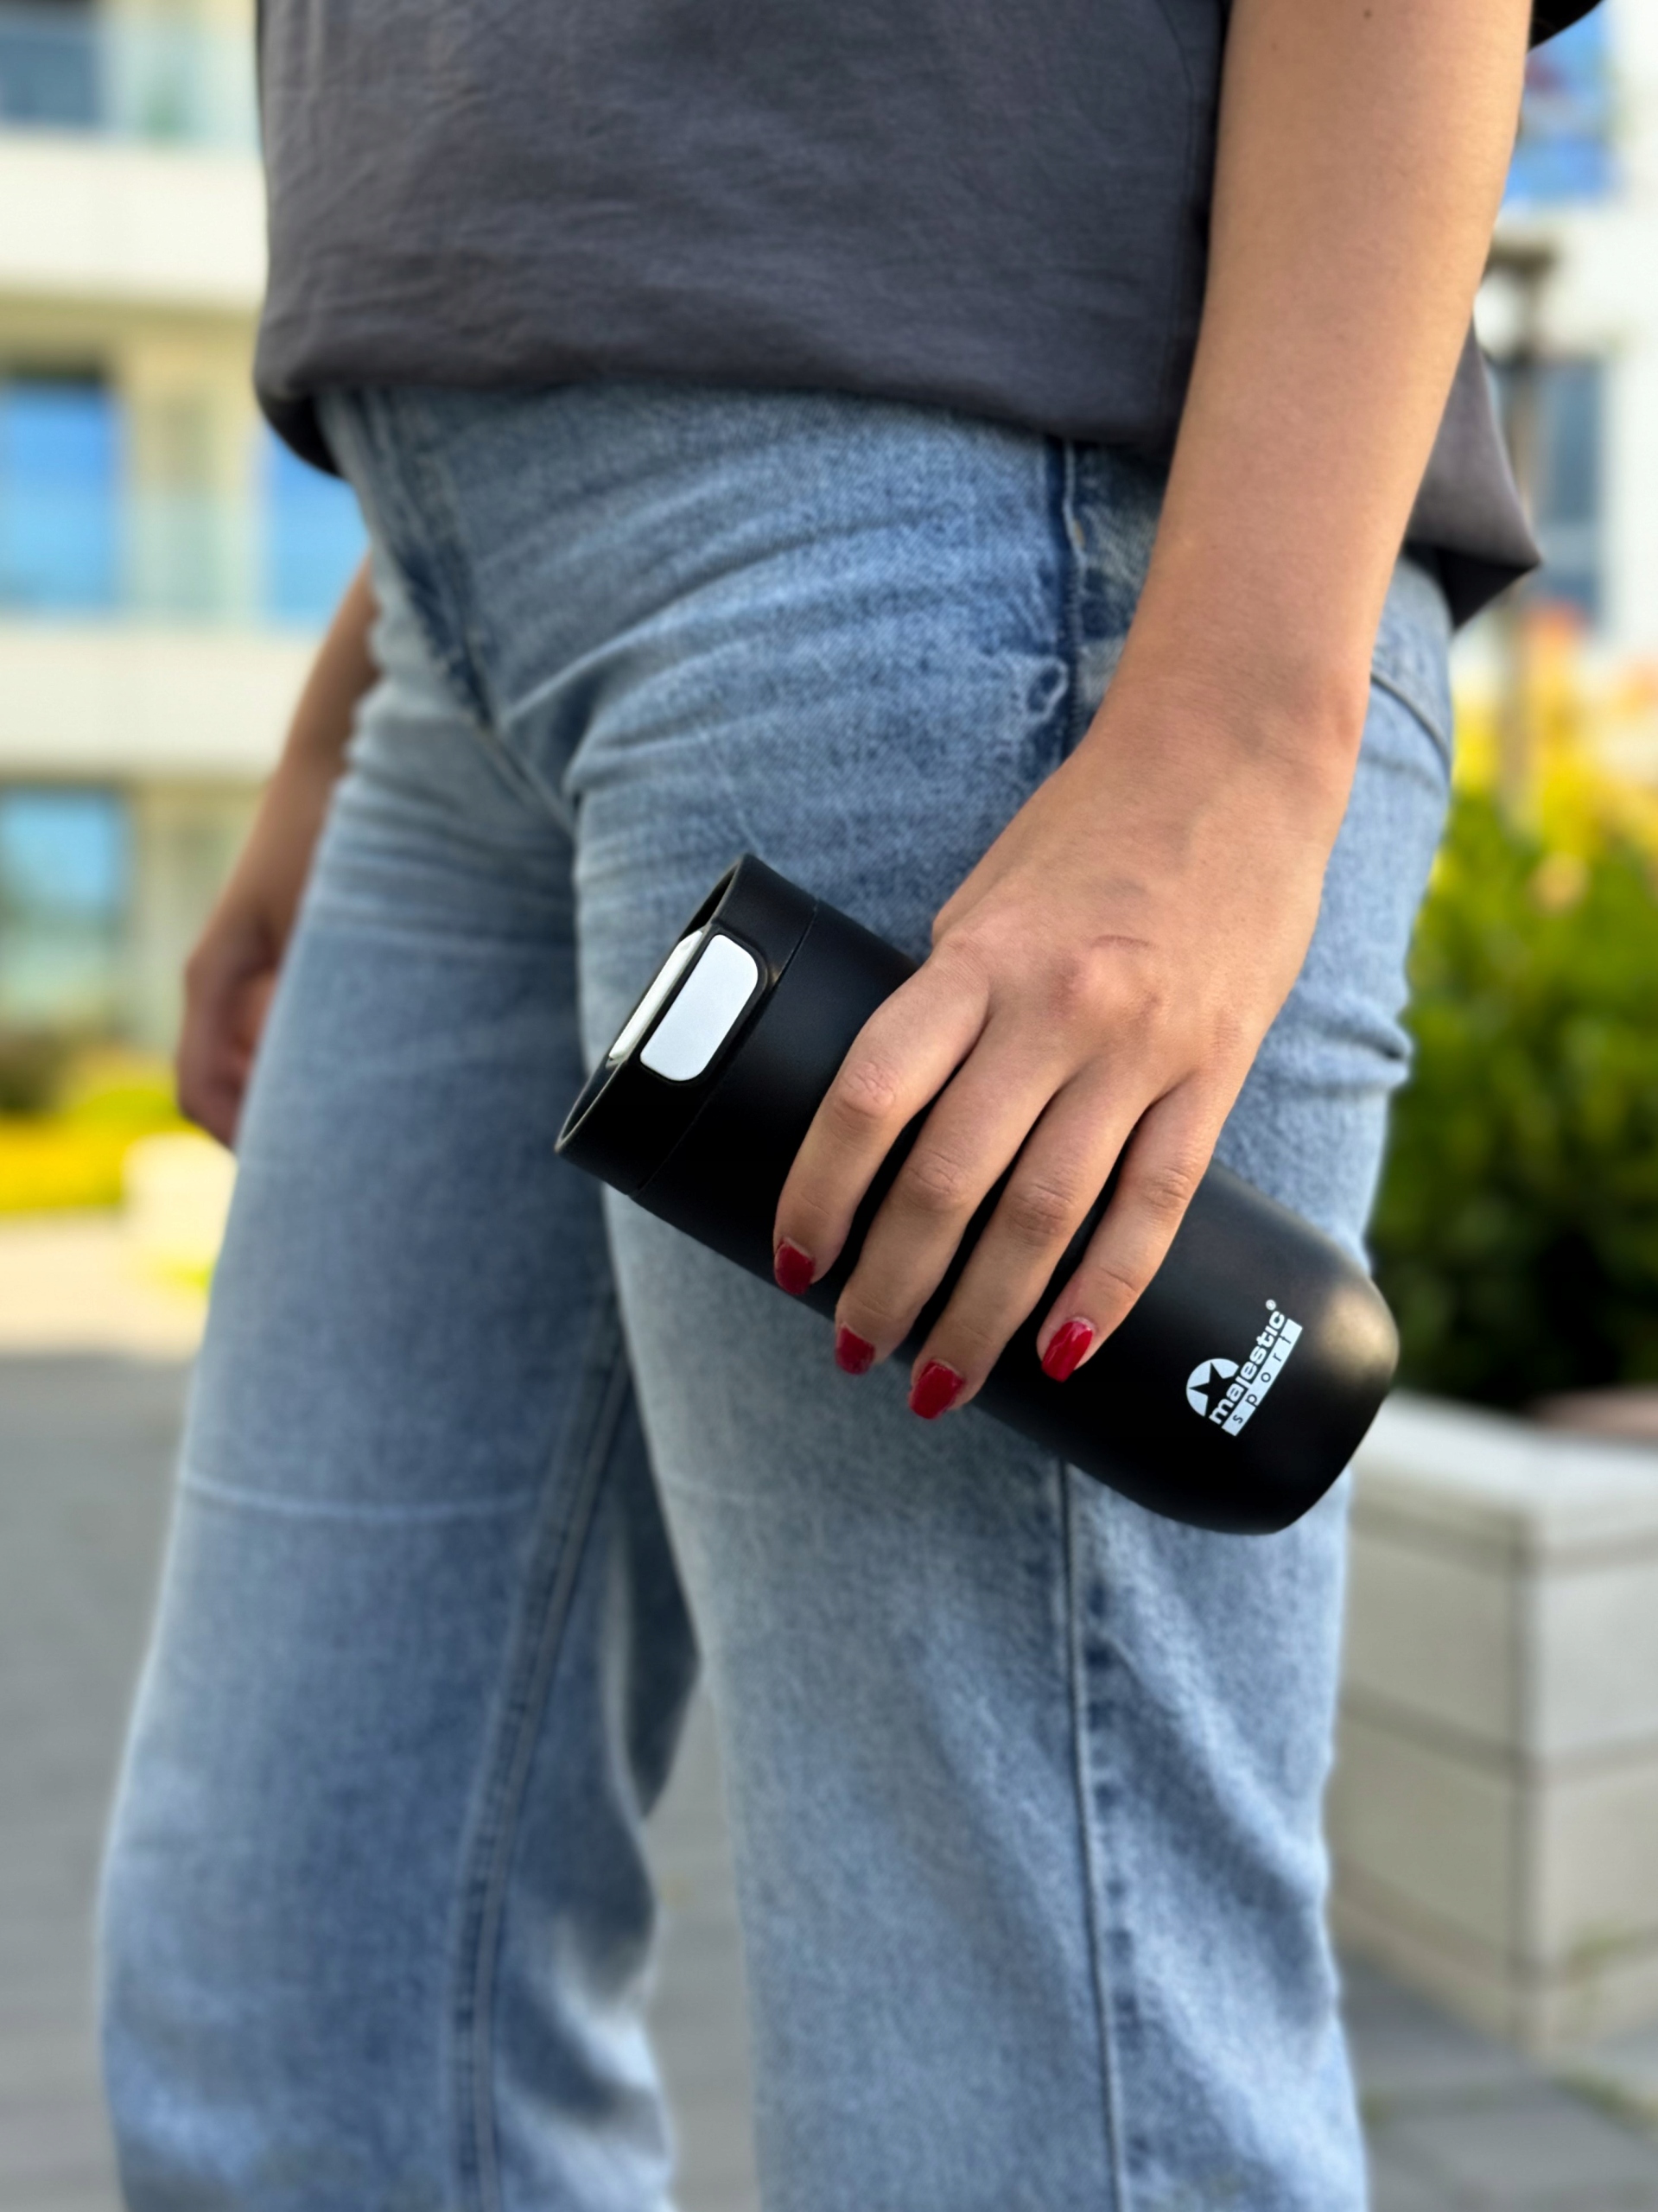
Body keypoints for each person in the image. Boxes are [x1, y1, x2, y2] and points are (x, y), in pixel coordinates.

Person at [98, 2, 1593, 2205]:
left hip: (966, 539)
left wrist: (1238, 729)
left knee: (1011, 2102)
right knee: (300, 2027)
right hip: (461, 611)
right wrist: (378, 671)